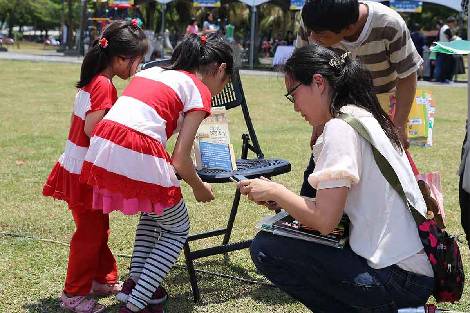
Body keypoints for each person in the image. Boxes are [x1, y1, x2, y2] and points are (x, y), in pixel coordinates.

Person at [240, 44, 434, 313]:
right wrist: (283, 199)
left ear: (318, 82)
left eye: (293, 94)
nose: (295, 106)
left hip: (397, 278)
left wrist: (277, 191)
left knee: (266, 248)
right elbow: (338, 206)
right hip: (412, 272)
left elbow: (324, 220)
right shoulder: (363, 115)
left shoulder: (339, 128)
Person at [80, 33, 233, 313]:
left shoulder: (155, 71)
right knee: (178, 228)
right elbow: (180, 160)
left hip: (105, 143)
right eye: (225, 83)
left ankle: (134, 285)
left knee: (153, 213)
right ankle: (138, 304)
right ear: (220, 70)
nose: (220, 89)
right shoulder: (200, 91)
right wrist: (200, 188)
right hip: (137, 148)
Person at [42, 20, 148, 313]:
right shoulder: (103, 85)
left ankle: (102, 278)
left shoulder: (97, 79)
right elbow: (93, 129)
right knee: (89, 233)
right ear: (121, 59)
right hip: (83, 172)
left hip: (81, 168)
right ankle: (73, 293)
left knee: (97, 228)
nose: (138, 67)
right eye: (137, 61)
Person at [297, 0, 422, 198]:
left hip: (380, 108)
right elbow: (309, 69)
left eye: (322, 35)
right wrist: (319, 124)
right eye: (311, 31)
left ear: (349, 27)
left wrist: (399, 125)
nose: (313, 38)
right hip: (336, 108)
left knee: (380, 175)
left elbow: (407, 76)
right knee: (325, 166)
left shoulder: (390, 25)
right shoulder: (314, 19)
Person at [434, 16, 457, 83]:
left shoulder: (442, 28)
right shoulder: (447, 29)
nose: (454, 25)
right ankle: (446, 79)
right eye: (454, 23)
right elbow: (449, 38)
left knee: (443, 64)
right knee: (447, 65)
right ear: (451, 23)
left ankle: (442, 79)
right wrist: (455, 38)